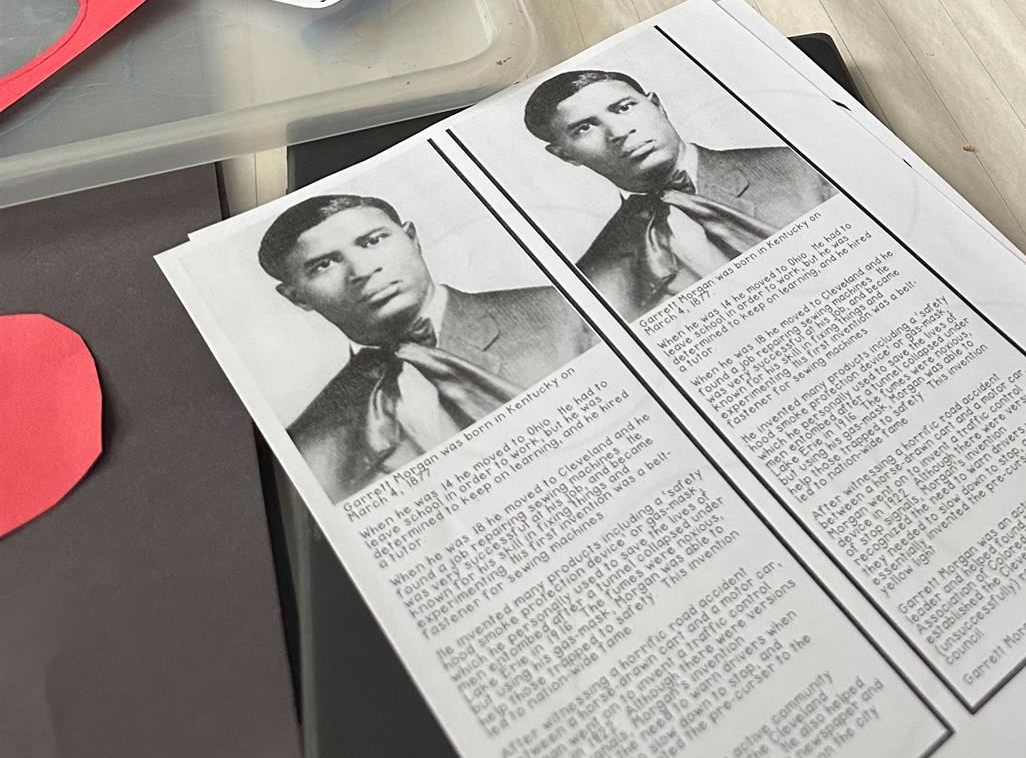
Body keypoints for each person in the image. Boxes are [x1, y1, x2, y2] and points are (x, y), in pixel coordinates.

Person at [258, 193, 594, 500]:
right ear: (296, 296)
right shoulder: (308, 443)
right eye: (324, 265)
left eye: (374, 241)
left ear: (412, 239)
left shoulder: (563, 315)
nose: (362, 271)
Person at [525, 68, 836, 318]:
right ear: (565, 155)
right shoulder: (597, 275)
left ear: (657, 106)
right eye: (584, 128)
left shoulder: (801, 170)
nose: (619, 133)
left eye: (624, 108)